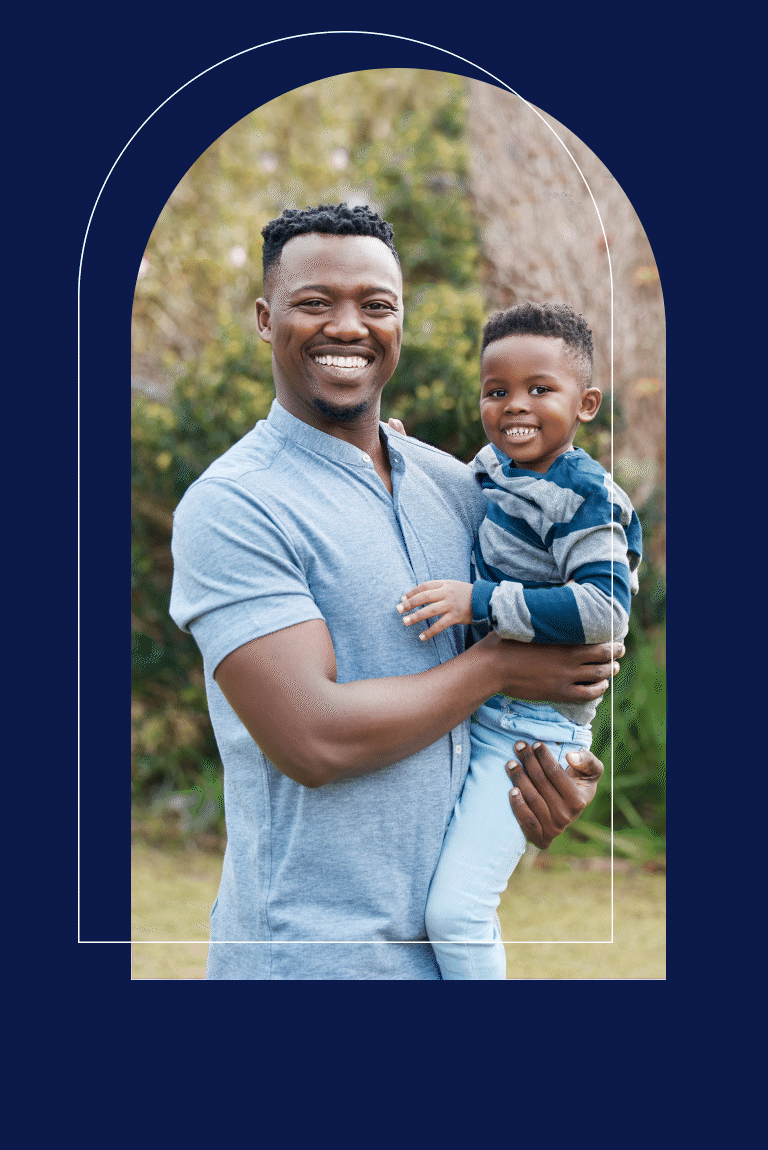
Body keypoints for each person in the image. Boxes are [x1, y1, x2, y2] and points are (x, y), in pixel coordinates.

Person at [167, 204, 622, 979]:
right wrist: (500, 667)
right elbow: (313, 740)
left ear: (400, 321)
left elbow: (562, 647)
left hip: (445, 958)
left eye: (376, 304)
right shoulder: (236, 506)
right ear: (265, 318)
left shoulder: (460, 488)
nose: (349, 326)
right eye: (316, 302)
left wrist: (546, 774)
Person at [395, 302, 641, 978]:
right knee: (417, 901)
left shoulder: (586, 496)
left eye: (539, 388)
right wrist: (399, 450)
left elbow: (605, 609)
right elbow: (458, 484)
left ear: (585, 404)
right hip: (474, 709)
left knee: (458, 913)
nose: (514, 406)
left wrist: (478, 601)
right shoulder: (498, 467)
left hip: (532, 734)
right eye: (496, 390)